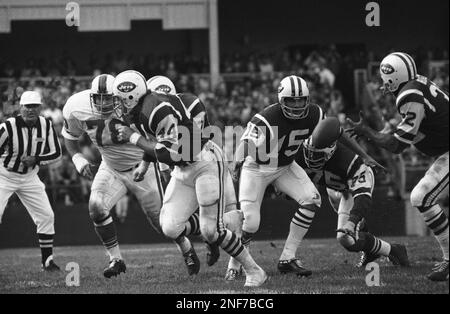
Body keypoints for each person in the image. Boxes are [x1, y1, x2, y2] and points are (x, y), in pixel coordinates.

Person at [113, 70, 266, 287]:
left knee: (211, 231)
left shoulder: (155, 109)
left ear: (131, 95)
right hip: (182, 168)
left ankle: (254, 271)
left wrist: (132, 137)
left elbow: (166, 153)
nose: (116, 104)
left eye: (119, 98)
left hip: (204, 162)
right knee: (169, 226)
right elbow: (155, 142)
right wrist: (145, 163)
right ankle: (226, 221)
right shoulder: (141, 110)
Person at [227, 75, 383, 279]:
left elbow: (336, 131)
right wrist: (237, 162)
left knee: (312, 199)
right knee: (250, 223)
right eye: (292, 100)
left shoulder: (314, 113)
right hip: (256, 169)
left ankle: (287, 258)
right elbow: (245, 142)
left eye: (301, 99)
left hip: (284, 166)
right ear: (282, 100)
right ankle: (234, 265)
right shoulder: (267, 117)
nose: (297, 104)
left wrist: (364, 155)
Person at [62, 74, 197, 278]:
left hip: (143, 166)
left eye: (108, 97)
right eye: (98, 98)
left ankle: (186, 248)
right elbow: (70, 137)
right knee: (96, 208)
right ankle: (115, 259)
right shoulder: (76, 106)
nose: (103, 103)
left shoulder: (136, 108)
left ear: (119, 96)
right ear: (91, 97)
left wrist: (152, 165)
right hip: (110, 167)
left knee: (164, 223)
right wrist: (78, 160)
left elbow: (156, 142)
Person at [347, 52, 449, 281]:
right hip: (444, 151)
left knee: (421, 196)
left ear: (393, 77)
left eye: (384, 76)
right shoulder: (417, 83)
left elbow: (396, 145)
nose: (382, 82)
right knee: (422, 197)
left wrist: (367, 133)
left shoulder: (409, 94)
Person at [297, 118, 409, 267]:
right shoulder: (301, 149)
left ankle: (394, 250)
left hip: (350, 189)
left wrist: (351, 222)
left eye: (317, 155)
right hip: (334, 188)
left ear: (330, 152)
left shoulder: (351, 164)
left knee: (346, 238)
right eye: (310, 153)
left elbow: (362, 197)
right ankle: (369, 248)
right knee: (356, 228)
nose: (311, 159)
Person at [0, 91, 61, 271]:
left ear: (40, 107)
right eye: (27, 106)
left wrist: (37, 159)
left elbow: (57, 153)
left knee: (46, 216)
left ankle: (47, 261)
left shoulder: (46, 124)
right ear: (21, 108)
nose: (31, 110)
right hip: (4, 175)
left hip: (29, 177)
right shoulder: (8, 127)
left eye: (35, 106)